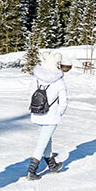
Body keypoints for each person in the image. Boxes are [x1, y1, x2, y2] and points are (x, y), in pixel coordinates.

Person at [27, 52, 68, 180]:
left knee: (46, 139)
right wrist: (58, 113)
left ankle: (52, 165)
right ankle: (31, 171)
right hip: (51, 117)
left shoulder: (36, 78)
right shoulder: (59, 81)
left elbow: (30, 95)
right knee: (42, 142)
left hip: (37, 114)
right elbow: (64, 101)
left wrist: (34, 110)